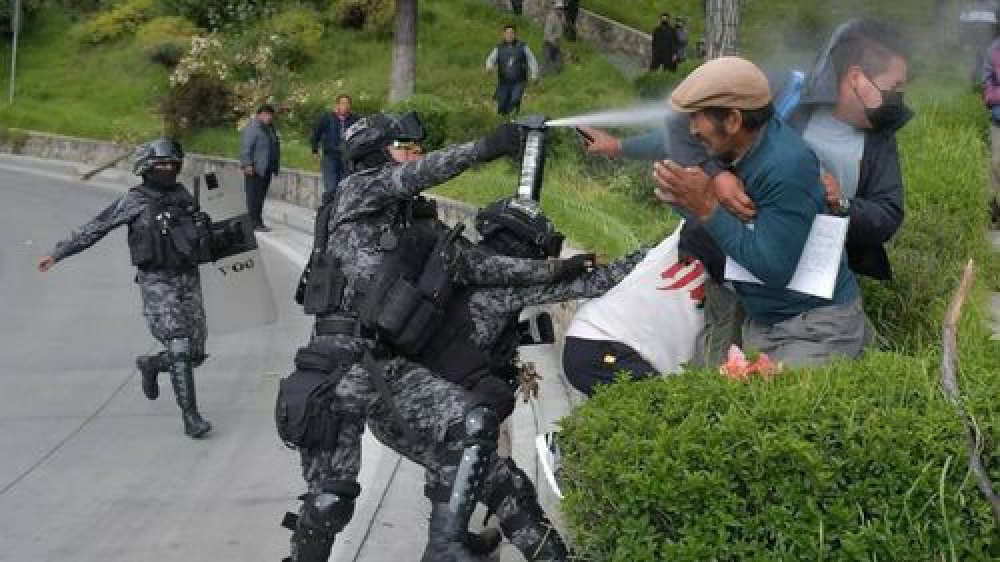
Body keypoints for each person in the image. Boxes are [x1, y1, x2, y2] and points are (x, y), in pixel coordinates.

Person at [282, 113, 586, 562]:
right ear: (375, 153)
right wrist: (488, 145)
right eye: (402, 145)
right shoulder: (359, 189)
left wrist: (554, 270)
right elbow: (422, 173)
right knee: (331, 500)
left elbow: (473, 264)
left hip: (390, 365)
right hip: (340, 364)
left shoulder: (411, 220)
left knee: (470, 433)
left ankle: (448, 545)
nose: (413, 152)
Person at [652, 56, 871, 367]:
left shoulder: (785, 165)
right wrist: (685, 200)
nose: (692, 129)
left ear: (733, 121)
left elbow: (773, 268)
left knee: (765, 409)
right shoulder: (735, 149)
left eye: (698, 117)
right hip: (761, 320)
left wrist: (707, 207)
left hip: (812, 328)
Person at [37, 139, 213, 438]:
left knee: (195, 353)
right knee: (179, 344)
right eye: (161, 165)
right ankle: (191, 417)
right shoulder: (136, 200)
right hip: (157, 281)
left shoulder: (185, 196)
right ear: (146, 168)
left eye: (172, 164)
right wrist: (58, 253)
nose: (167, 169)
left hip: (188, 278)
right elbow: (97, 227)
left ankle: (152, 365)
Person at [240, 104, 281, 232]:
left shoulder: (269, 128)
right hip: (254, 169)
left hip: (266, 169)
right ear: (259, 115)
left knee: (260, 197)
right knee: (253, 197)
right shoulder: (253, 128)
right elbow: (246, 148)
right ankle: (253, 223)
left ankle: (258, 221)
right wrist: (247, 164)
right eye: (266, 114)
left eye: (270, 115)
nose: (269, 117)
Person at [310, 94, 359, 199]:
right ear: (337, 104)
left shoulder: (355, 119)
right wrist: (315, 151)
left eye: (347, 103)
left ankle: (338, 213)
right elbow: (316, 134)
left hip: (347, 158)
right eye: (342, 103)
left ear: (350, 106)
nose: (345, 106)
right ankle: (326, 212)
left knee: (344, 188)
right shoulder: (327, 117)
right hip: (330, 158)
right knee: (331, 188)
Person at [486, 25, 540, 116]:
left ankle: (513, 117)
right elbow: (490, 59)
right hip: (504, 81)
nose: (509, 35)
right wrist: (489, 67)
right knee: (502, 103)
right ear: (503, 34)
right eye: (507, 33)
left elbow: (532, 60)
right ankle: (504, 119)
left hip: (519, 81)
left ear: (515, 35)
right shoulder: (499, 47)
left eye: (512, 33)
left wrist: (534, 74)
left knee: (515, 99)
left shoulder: (522, 46)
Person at [982, 32, 1000, 226]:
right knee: (996, 165)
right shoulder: (993, 50)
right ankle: (992, 214)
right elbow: (986, 86)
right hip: (998, 119)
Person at [542, 2, 565, 75]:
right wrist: (553, 42)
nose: (560, 10)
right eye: (559, 8)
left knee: (559, 64)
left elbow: (559, 32)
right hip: (548, 44)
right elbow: (547, 33)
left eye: (561, 9)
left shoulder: (561, 17)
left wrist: (558, 43)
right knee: (548, 63)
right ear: (555, 9)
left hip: (556, 43)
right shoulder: (551, 18)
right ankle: (541, 76)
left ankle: (557, 76)